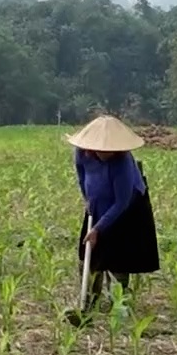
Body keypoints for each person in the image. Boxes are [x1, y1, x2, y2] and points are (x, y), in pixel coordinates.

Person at [67, 115, 159, 307]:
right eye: (100, 150)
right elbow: (82, 177)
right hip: (97, 202)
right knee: (89, 253)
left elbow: (121, 202)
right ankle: (89, 299)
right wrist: (87, 200)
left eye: (109, 150)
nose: (104, 154)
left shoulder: (123, 162)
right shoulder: (82, 153)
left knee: (118, 255)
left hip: (126, 209)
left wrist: (99, 228)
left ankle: (117, 300)